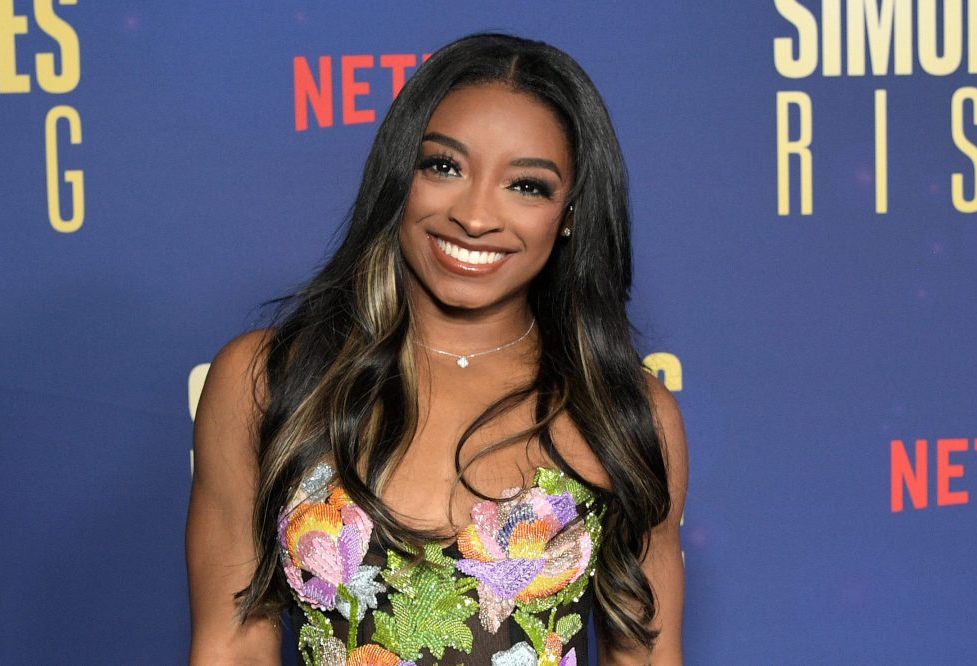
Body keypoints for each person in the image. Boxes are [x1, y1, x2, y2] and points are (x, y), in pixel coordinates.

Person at [186, 33, 687, 665]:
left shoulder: (623, 413)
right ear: (400, 175)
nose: (475, 217)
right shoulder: (269, 380)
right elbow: (231, 643)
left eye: (527, 185)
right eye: (444, 167)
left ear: (570, 213)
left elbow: (643, 656)